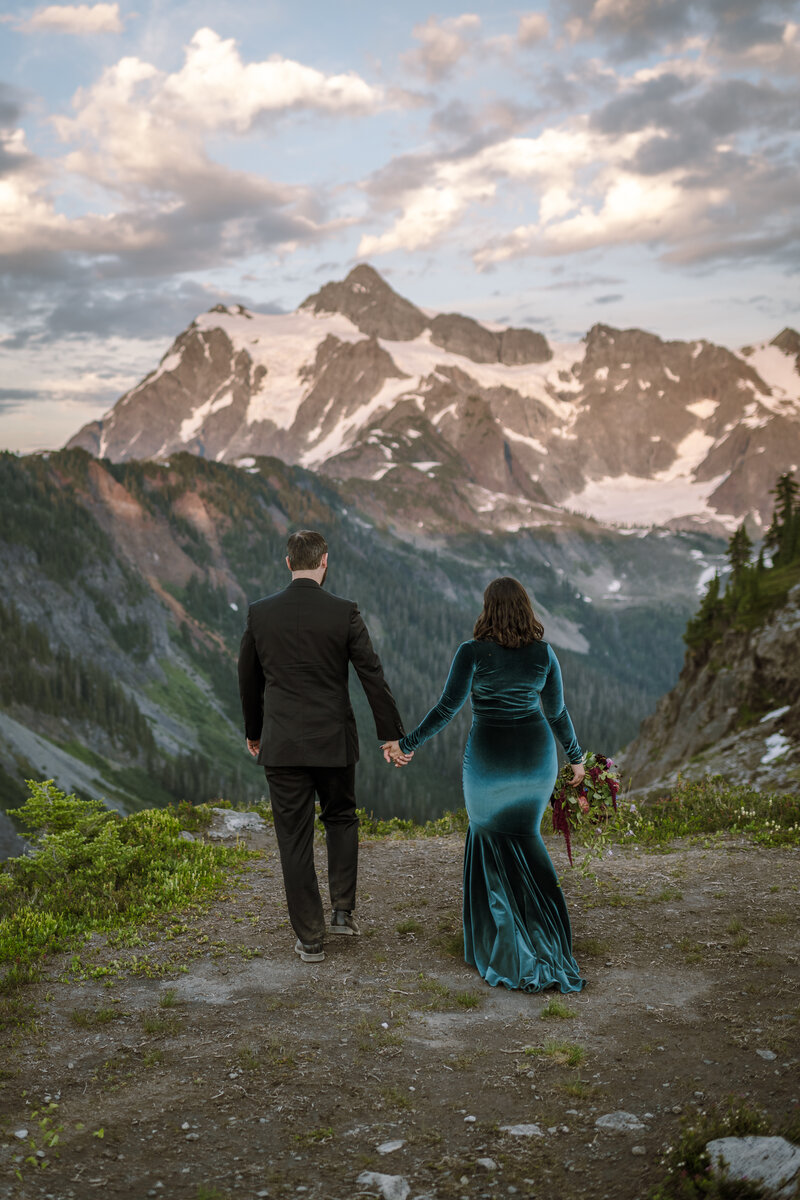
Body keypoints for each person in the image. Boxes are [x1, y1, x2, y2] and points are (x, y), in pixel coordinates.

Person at [382, 576, 586, 994]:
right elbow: (558, 714)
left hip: (489, 762)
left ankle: (502, 940)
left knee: (490, 837)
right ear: (526, 609)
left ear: (487, 610)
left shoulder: (471, 653)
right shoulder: (544, 655)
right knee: (527, 837)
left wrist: (407, 744)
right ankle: (548, 937)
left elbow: (446, 709)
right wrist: (578, 758)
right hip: (535, 761)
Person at [238, 529, 405, 963]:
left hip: (283, 745)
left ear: (288, 562)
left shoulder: (260, 614)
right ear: (324, 561)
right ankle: (343, 913)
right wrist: (389, 733)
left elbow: (248, 680)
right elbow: (372, 674)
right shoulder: (344, 612)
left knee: (293, 837)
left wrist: (254, 731)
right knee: (341, 817)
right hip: (334, 740)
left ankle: (310, 938)